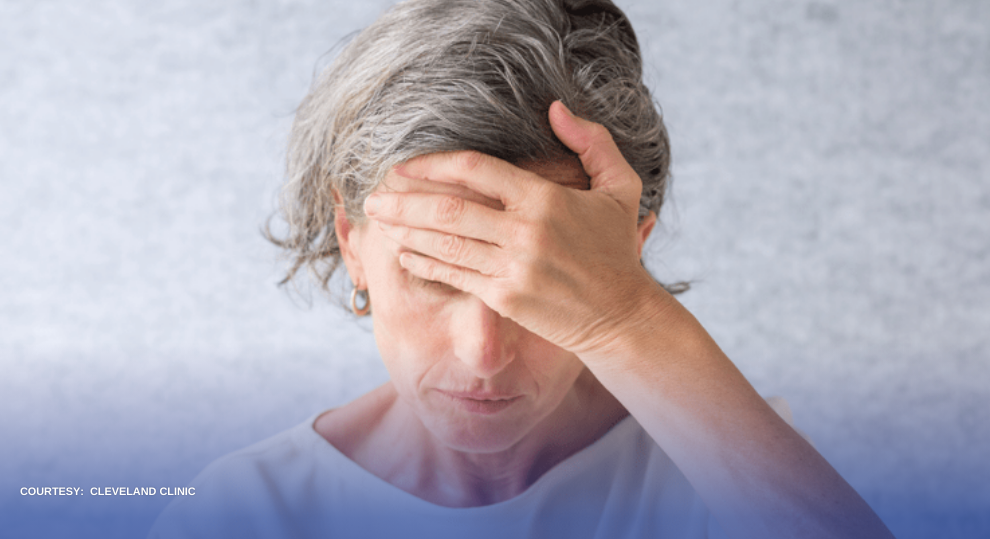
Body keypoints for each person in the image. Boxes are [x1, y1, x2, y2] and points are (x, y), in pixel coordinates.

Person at [150, 0, 895, 537]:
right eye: (434, 272)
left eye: (542, 282)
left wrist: (629, 317)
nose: (484, 354)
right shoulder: (244, 512)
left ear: (626, 254)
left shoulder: (719, 476)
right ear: (353, 242)